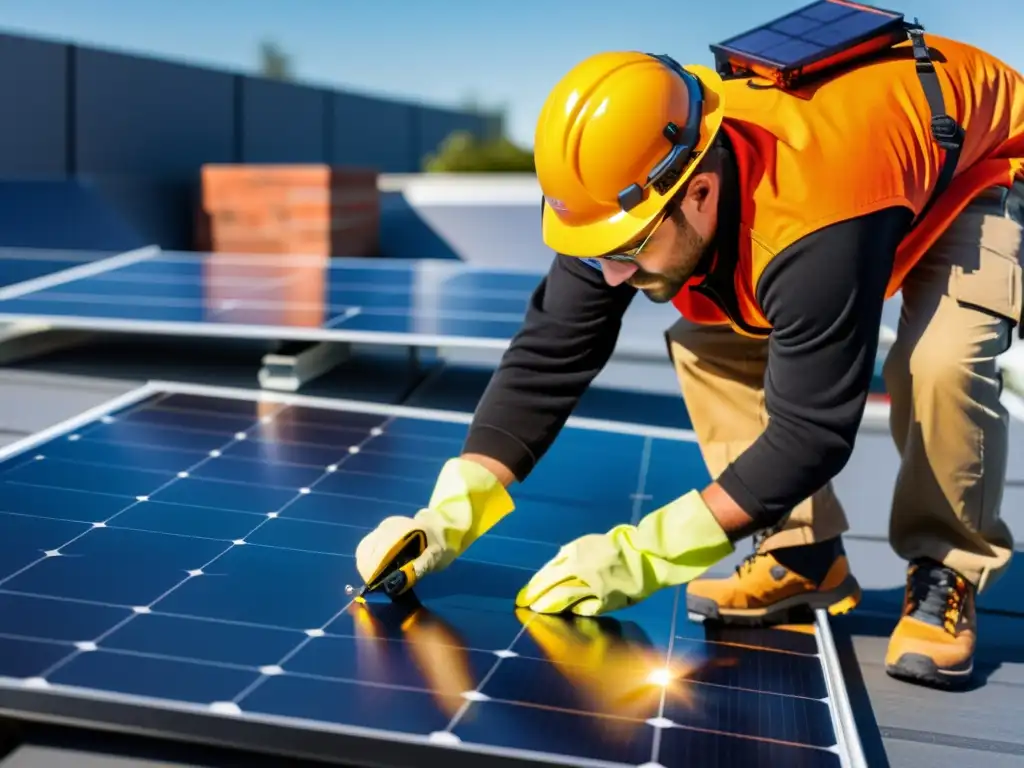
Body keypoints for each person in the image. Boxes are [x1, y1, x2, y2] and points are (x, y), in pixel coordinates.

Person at [356, 28, 1024, 691]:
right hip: (870, 176)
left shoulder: (812, 218)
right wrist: (449, 510)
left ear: (701, 193)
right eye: (599, 252)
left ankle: (947, 569)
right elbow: (552, 349)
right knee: (711, 338)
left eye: (625, 252)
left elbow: (812, 432)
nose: (610, 277)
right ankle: (803, 553)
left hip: (980, 167)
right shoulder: (623, 187)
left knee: (939, 361)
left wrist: (645, 556)